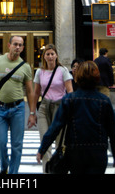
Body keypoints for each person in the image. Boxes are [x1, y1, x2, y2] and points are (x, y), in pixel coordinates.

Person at [36, 61, 115, 174]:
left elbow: (55, 127)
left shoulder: (69, 99)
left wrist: (42, 149)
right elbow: (114, 132)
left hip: (75, 152)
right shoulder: (104, 101)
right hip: (98, 152)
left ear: (77, 77)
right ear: (97, 77)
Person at [0, 35, 36, 174]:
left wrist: (32, 113)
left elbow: (30, 91)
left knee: (17, 145)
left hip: (18, 108)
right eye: (15, 44)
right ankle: (4, 165)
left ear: (23, 48)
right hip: (0, 108)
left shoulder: (25, 67)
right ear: (9, 45)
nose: (17, 47)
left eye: (20, 45)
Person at [31, 43, 73, 173]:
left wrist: (71, 111)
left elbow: (70, 91)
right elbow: (36, 93)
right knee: (45, 140)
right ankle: (46, 171)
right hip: (44, 106)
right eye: (47, 54)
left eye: (52, 54)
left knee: (60, 142)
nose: (50, 57)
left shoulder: (63, 71)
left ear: (56, 56)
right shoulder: (40, 72)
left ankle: (59, 170)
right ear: (44, 57)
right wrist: (32, 112)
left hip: (60, 106)